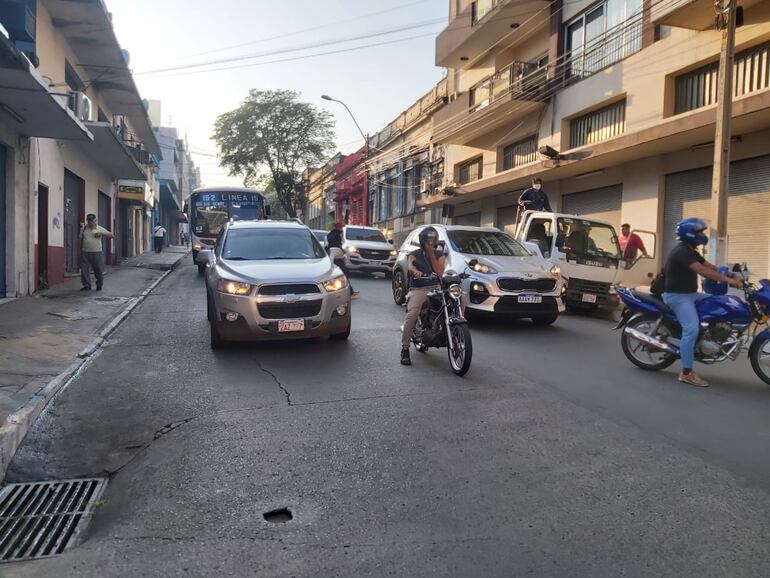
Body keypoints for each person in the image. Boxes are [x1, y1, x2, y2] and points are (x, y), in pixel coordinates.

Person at [662, 218, 743, 387]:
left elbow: (708, 265)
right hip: (678, 297)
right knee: (691, 329)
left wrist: (729, 273)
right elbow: (702, 270)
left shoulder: (690, 250)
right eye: (700, 232)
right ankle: (686, 373)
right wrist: (728, 281)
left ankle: (710, 335)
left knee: (721, 302)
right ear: (690, 233)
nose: (703, 235)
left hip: (691, 294)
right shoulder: (681, 252)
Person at [400, 227, 446, 366]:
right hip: (419, 288)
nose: (431, 243)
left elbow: (439, 272)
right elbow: (410, 266)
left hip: (436, 288)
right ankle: (405, 349)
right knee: (412, 314)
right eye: (428, 240)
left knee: (458, 298)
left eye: (433, 240)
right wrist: (415, 271)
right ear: (423, 241)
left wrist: (432, 254)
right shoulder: (414, 254)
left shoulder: (439, 254)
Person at [79, 214, 113, 292]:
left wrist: (101, 233)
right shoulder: (84, 229)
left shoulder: (99, 228)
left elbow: (111, 235)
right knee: (84, 270)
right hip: (85, 251)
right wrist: (79, 251)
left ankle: (99, 285)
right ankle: (87, 285)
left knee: (98, 269)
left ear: (95, 221)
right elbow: (80, 239)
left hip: (97, 252)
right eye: (89, 221)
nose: (90, 223)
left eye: (92, 221)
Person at [327, 221, 358, 296]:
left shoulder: (331, 234)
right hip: (337, 258)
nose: (342, 229)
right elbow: (337, 246)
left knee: (342, 273)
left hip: (333, 257)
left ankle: (350, 291)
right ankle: (348, 292)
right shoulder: (336, 235)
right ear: (337, 228)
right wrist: (343, 252)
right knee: (344, 273)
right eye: (340, 227)